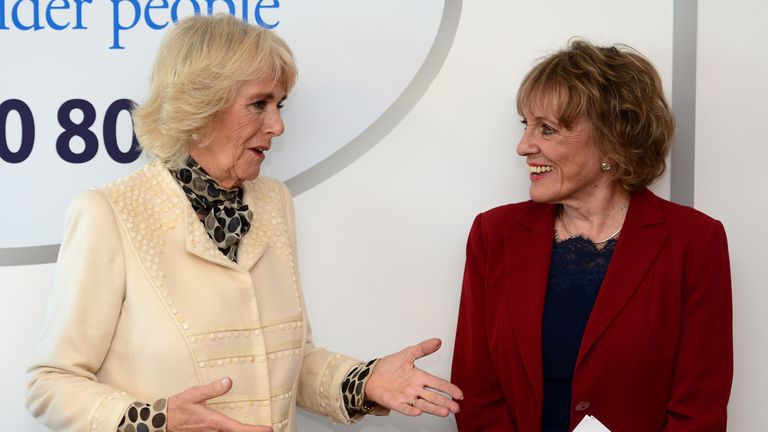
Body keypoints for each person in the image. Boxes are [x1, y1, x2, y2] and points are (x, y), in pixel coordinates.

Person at [26, 14, 462, 432]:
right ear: (201, 105)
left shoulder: (273, 203)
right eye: (259, 104)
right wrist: (155, 420)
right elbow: (50, 384)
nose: (277, 125)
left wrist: (362, 382)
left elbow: (285, 360)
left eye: (280, 104)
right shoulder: (109, 212)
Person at [451, 39, 732, 432]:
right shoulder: (493, 234)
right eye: (525, 125)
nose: (523, 146)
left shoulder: (694, 242)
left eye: (547, 129)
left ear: (611, 139)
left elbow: (698, 412)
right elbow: (476, 394)